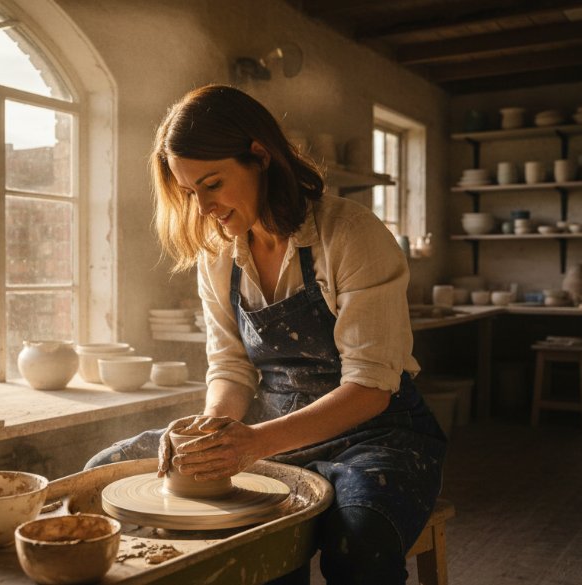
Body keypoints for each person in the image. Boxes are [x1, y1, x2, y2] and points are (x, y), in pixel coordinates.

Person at [85, 84, 446, 585]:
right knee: (103, 470)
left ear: (260, 156)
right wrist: (213, 428)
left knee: (358, 545)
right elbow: (231, 367)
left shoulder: (350, 233)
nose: (203, 207)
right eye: (190, 193)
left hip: (374, 435)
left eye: (212, 184)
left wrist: (253, 444)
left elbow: (370, 388)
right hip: (269, 426)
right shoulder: (218, 255)